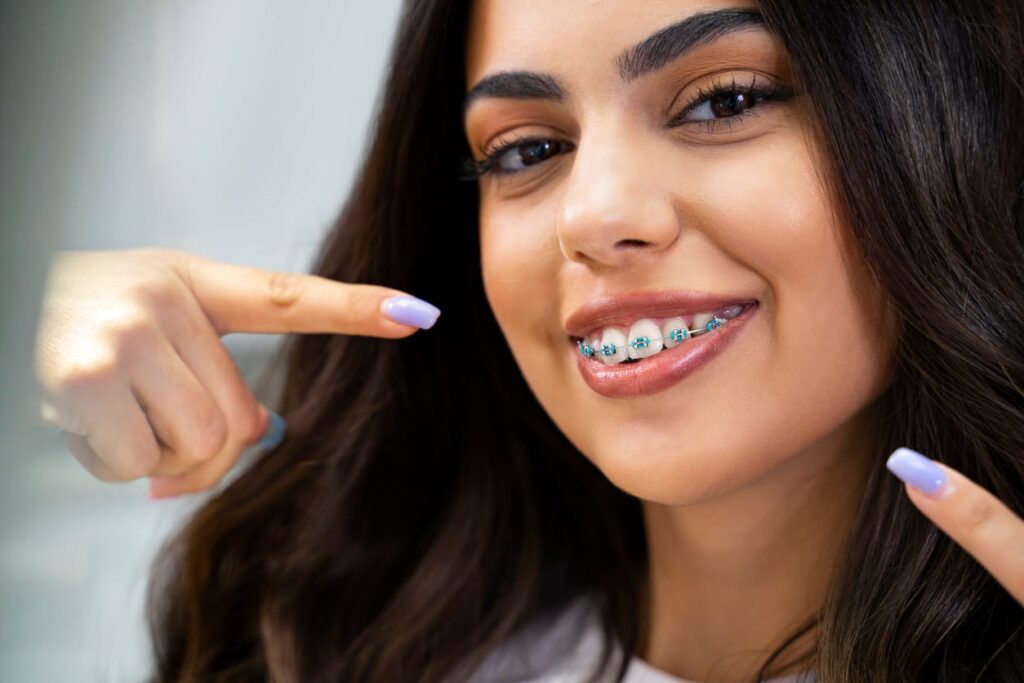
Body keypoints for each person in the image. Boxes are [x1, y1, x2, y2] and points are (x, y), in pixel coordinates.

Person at [32, 0, 1024, 681]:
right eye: (527, 152)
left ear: (946, 126)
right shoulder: (342, 637)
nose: (588, 216)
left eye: (724, 100)